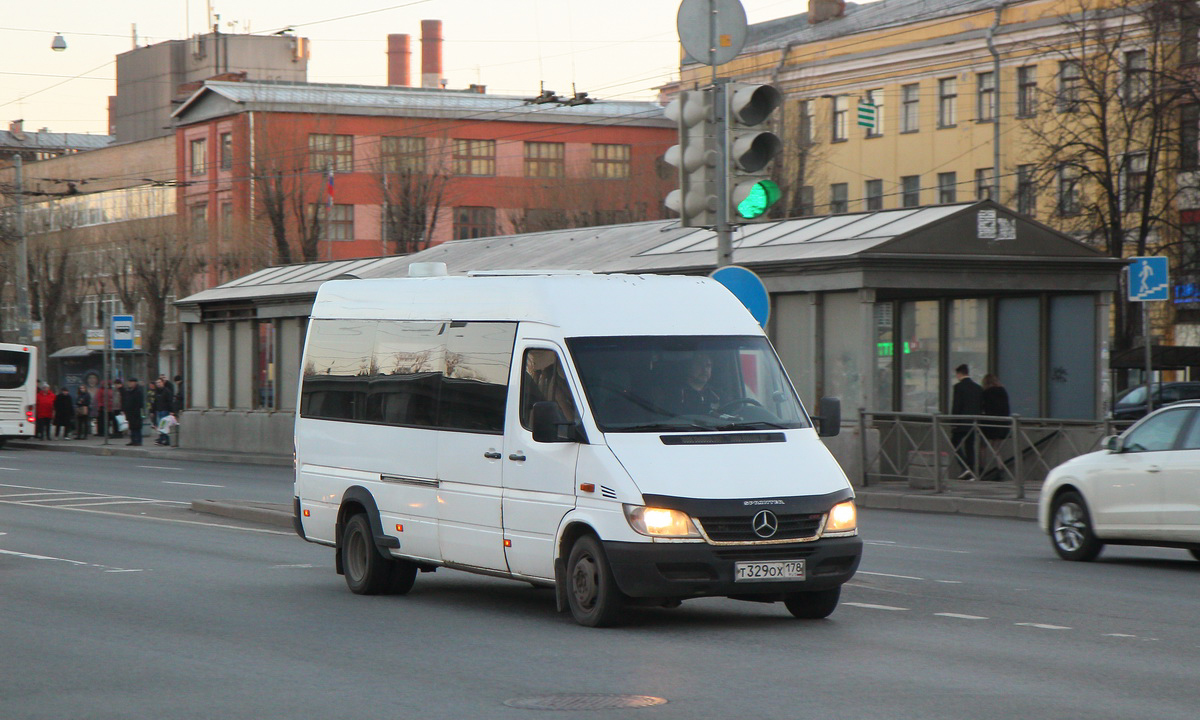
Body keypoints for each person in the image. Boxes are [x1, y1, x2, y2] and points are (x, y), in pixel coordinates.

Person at [950, 363, 984, 479]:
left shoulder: (958, 387)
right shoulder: (978, 388)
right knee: (970, 446)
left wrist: (953, 423)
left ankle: (965, 468)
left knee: (955, 444)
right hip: (973, 423)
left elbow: (957, 405)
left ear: (959, 374)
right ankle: (971, 471)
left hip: (961, 422)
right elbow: (980, 406)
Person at [980, 373, 1012, 478]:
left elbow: (984, 408)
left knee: (983, 446)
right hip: (1003, 424)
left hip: (989, 424)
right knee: (996, 448)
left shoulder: (986, 393)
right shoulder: (1003, 391)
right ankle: (1000, 469)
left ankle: (982, 470)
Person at [122, 377, 145, 446]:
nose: (130, 384)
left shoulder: (138, 391)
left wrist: (136, 410)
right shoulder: (129, 391)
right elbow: (126, 401)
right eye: (129, 382)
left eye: (131, 382)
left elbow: (139, 403)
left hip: (136, 412)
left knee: (137, 427)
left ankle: (138, 440)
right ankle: (133, 440)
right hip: (130, 412)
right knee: (131, 427)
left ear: (135, 383)